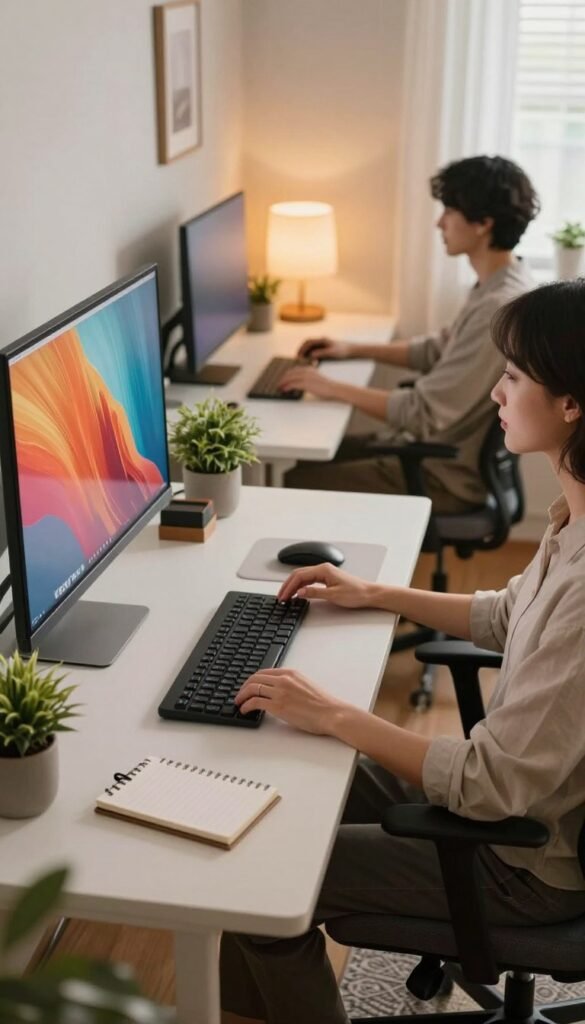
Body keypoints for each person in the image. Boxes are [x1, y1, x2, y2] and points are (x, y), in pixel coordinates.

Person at [220, 279, 585, 1024]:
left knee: (259, 882)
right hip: (519, 815)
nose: (495, 395)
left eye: (512, 377)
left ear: (570, 403)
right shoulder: (570, 517)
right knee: (293, 777)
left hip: (523, 864)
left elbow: (491, 786)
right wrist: (373, 594)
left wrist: (335, 713)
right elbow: (506, 613)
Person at [281, 155, 540, 513]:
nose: (439, 222)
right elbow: (437, 350)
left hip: (442, 475)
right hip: (431, 452)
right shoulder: (499, 283)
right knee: (305, 457)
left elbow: (421, 412)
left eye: (449, 210)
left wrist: (329, 387)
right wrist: (352, 349)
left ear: (483, 223)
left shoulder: (498, 307)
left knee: (293, 483)